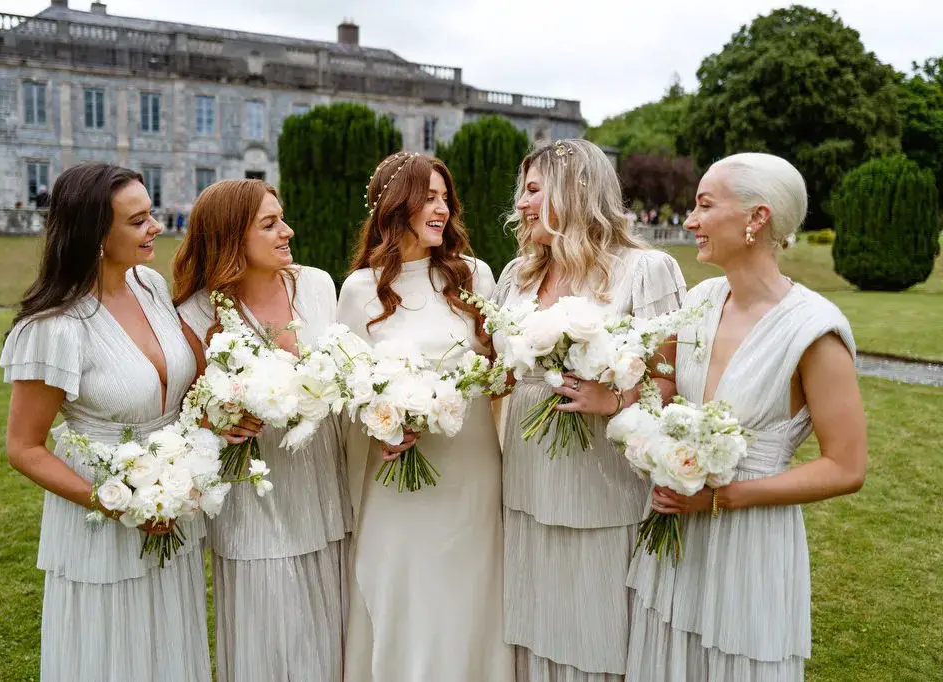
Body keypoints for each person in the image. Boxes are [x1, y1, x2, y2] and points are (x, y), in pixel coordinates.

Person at [625, 152, 867, 682]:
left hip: (750, 542)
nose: (689, 221)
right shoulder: (700, 299)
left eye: (704, 205)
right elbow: (655, 394)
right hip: (674, 535)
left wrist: (718, 498)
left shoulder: (814, 331)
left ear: (756, 219)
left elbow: (846, 467)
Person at [0, 163, 210, 681]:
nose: (156, 227)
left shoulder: (151, 285)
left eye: (151, 213)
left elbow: (182, 381)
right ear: (96, 233)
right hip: (101, 518)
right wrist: (116, 503)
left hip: (172, 504)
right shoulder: (53, 328)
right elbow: (23, 448)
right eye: (138, 222)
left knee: (168, 646)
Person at [493, 138, 686, 682]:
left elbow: (671, 378)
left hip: (603, 472)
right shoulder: (518, 275)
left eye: (533, 191)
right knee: (537, 604)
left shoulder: (646, 270)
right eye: (522, 191)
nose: (522, 204)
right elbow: (504, 372)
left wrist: (613, 398)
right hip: (529, 469)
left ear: (576, 191)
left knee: (597, 613)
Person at [337, 152, 514, 682]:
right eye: (428, 197)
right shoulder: (360, 290)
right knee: (403, 587)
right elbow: (345, 387)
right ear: (397, 207)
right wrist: (380, 423)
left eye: (445, 198)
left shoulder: (476, 277)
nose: (441, 208)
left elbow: (501, 371)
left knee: (467, 592)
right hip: (398, 477)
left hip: (471, 473)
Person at [172, 179, 351, 682]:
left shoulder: (315, 285)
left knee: (331, 626)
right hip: (254, 495)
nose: (287, 231)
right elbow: (184, 415)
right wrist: (217, 417)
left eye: (283, 218)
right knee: (272, 634)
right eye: (270, 224)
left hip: (322, 483)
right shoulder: (196, 313)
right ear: (231, 237)